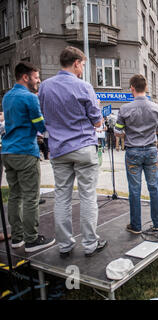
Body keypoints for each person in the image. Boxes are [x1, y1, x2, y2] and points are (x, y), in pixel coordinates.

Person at [39, 46, 106, 258]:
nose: (82, 70)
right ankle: (89, 243)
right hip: (83, 146)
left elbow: (42, 117)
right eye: (83, 65)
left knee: (62, 197)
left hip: (58, 148)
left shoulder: (45, 87)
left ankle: (65, 245)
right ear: (76, 63)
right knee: (87, 196)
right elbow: (97, 121)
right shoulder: (84, 87)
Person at [1, 62, 55, 252]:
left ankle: (17, 238)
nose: (38, 80)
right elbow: (41, 126)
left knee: (15, 195)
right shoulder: (30, 98)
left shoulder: (7, 97)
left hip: (7, 151)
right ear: (26, 77)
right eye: (36, 77)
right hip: (25, 150)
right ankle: (32, 239)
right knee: (31, 197)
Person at [114, 74, 158, 234]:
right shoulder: (157, 108)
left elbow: (117, 131)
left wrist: (127, 133)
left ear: (132, 89)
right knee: (154, 187)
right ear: (146, 88)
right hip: (150, 150)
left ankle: (136, 225)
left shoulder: (124, 109)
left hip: (133, 151)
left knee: (134, 190)